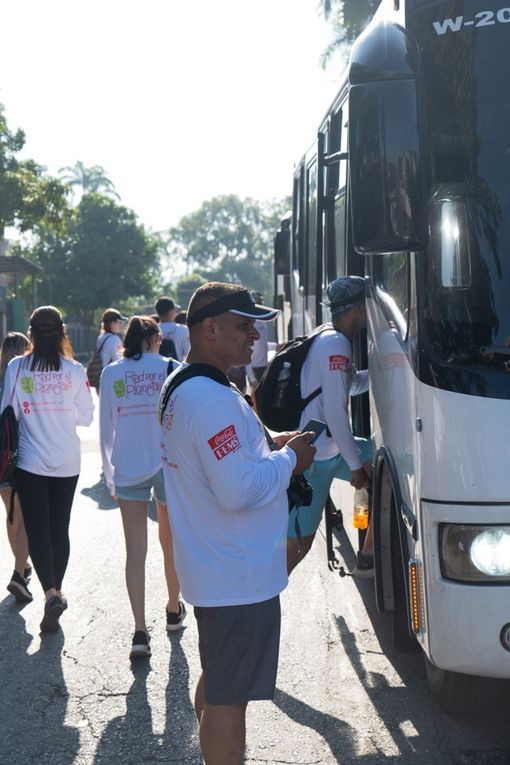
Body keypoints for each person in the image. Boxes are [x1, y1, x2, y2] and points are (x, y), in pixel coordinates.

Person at [159, 282, 316, 765]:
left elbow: (224, 460)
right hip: (236, 577)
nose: (254, 336)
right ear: (209, 328)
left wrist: (270, 443)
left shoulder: (188, 383)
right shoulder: (212, 399)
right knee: (229, 700)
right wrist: (290, 459)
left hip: (216, 571)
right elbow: (238, 490)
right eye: (243, 325)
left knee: (220, 683)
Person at [1, 306, 94, 631]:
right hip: (67, 461)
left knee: (39, 529)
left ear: (30, 333)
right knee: (60, 529)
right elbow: (86, 416)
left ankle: (50, 592)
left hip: (30, 462)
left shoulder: (17, 367)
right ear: (63, 332)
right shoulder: (73, 370)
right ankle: (56, 591)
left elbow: (7, 412)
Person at [99, 315, 185, 659]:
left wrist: (109, 475)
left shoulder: (113, 373)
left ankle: (139, 631)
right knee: (171, 543)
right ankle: (173, 608)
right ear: (153, 338)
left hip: (128, 467)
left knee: (135, 551)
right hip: (166, 464)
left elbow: (107, 430)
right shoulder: (171, 367)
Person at [287, 276, 373, 576]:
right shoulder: (336, 344)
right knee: (299, 545)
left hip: (329, 450)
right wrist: (355, 466)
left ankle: (367, 554)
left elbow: (350, 385)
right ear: (358, 309)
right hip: (318, 458)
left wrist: (384, 368)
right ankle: (261, 600)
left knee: (378, 455)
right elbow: (336, 414)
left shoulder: (329, 336)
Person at [0, 332, 32, 602]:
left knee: (11, 516)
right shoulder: (23, 380)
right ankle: (19, 573)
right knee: (23, 519)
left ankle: (22, 566)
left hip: (0, 462)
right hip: (20, 457)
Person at [155, 297, 190, 361]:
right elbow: (188, 353)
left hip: (156, 369)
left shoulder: (152, 330)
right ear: (171, 312)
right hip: (177, 369)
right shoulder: (183, 329)